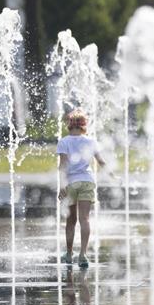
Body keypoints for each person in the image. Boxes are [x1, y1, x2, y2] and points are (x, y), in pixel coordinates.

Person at [57, 109, 106, 269]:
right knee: (85, 219)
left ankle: (69, 254)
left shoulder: (63, 142)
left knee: (70, 221)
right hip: (87, 181)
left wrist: (62, 185)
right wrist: (113, 176)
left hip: (71, 183)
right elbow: (101, 162)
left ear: (69, 125)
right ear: (84, 125)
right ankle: (83, 254)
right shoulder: (91, 141)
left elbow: (63, 165)